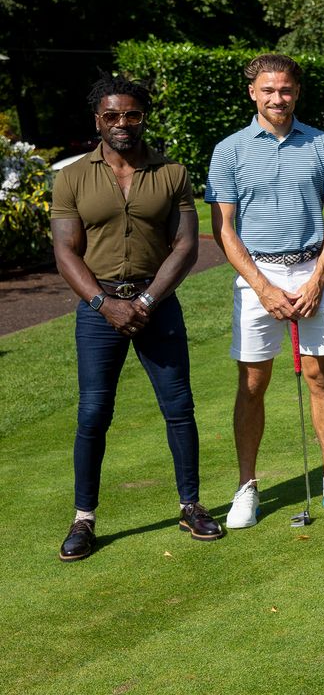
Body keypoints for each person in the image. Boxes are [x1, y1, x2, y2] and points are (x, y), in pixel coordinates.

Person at [50, 75, 223, 560]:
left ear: (143, 118)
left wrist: (145, 302)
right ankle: (84, 519)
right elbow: (65, 252)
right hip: (98, 308)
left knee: (179, 407)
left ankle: (190, 506)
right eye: (112, 115)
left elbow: (186, 247)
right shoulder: (72, 178)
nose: (122, 123)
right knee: (93, 412)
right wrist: (104, 304)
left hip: (157, 305)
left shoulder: (172, 173)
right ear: (98, 120)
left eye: (132, 114)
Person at [206, 53, 324, 528]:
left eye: (285, 90)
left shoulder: (323, 144)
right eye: (268, 90)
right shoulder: (229, 150)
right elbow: (224, 229)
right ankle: (246, 486)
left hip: (313, 268)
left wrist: (318, 279)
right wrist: (262, 288)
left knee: (320, 376)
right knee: (252, 383)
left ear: (296, 92)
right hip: (257, 274)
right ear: (252, 93)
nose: (277, 98)